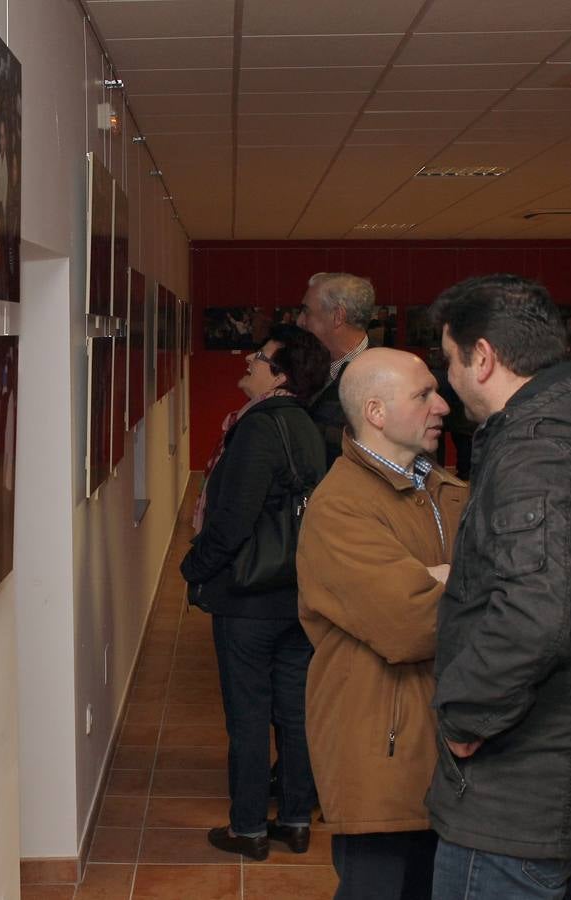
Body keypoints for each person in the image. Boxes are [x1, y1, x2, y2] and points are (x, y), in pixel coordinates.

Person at [426, 274, 571, 899]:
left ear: (482, 358)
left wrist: (463, 714)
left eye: (449, 361)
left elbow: (532, 616)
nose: (447, 389)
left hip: (523, 795)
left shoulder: (539, 453)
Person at [297, 348, 468, 900]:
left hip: (445, 748)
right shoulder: (339, 508)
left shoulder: (446, 490)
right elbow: (410, 624)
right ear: (375, 411)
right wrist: (463, 585)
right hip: (382, 755)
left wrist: (441, 578)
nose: (443, 404)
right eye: (424, 394)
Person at [181, 324, 330, 862]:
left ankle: (248, 828)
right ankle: (294, 820)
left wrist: (194, 568)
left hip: (249, 601)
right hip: (298, 595)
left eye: (260, 356)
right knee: (293, 713)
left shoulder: (259, 429)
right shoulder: (308, 427)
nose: (249, 359)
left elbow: (231, 521)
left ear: (280, 374)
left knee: (248, 716)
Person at [297, 272, 373, 469]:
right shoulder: (313, 369)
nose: (300, 321)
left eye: (307, 312)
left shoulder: (382, 381)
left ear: (337, 316)